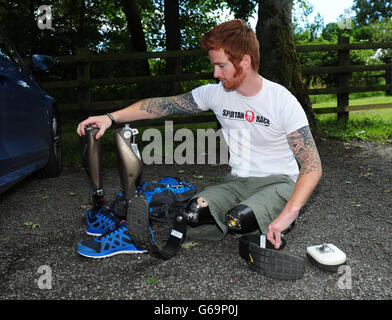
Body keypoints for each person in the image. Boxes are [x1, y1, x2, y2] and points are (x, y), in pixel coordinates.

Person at [76, 20, 322, 259]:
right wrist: (110, 117)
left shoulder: (281, 100)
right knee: (192, 214)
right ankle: (132, 225)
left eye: (221, 66)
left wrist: (290, 212)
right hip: (237, 182)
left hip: (278, 184)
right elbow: (163, 106)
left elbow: (312, 166)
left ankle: (255, 219)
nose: (215, 73)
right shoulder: (215, 94)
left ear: (245, 61)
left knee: (238, 218)